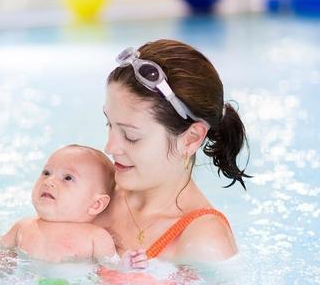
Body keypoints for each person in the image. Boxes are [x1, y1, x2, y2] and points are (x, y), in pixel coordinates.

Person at [94, 39, 251, 272]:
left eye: (130, 135)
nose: (110, 146)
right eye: (109, 124)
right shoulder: (92, 189)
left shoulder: (203, 243)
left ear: (191, 138)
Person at [0, 144, 147, 270]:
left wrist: (126, 265)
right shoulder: (24, 227)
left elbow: (110, 268)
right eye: (46, 173)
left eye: (68, 178)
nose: (50, 181)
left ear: (95, 204)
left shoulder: (96, 237)